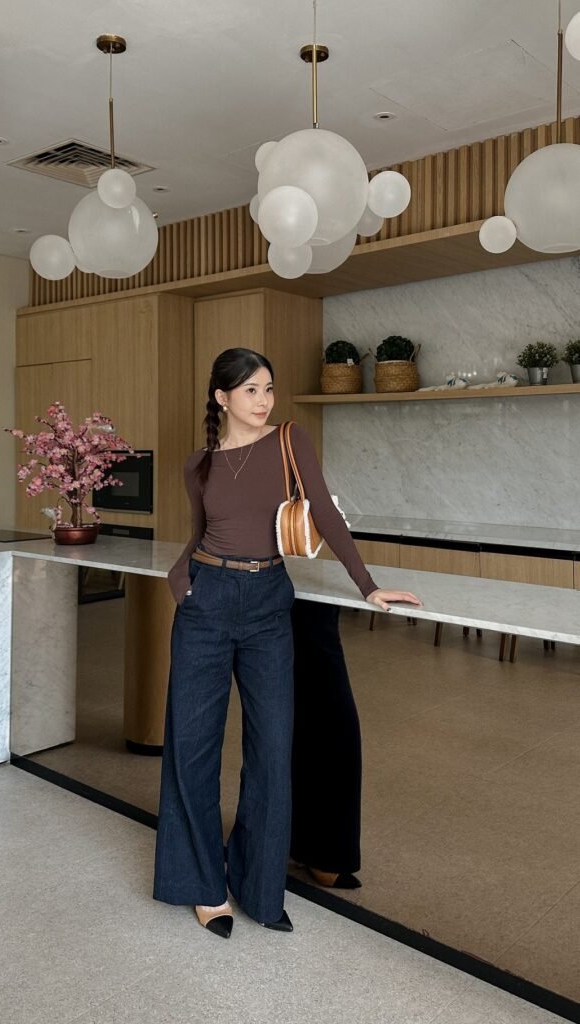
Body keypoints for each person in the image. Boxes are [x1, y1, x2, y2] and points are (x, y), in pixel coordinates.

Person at [153, 348, 421, 938]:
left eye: (268, 388)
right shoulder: (198, 464)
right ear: (222, 397)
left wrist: (369, 586)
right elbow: (200, 533)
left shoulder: (290, 440)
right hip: (207, 600)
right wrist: (182, 580)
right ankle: (202, 884)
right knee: (192, 748)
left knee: (273, 750)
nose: (264, 400)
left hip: (270, 603)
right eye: (250, 390)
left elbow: (323, 512)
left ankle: (258, 884)